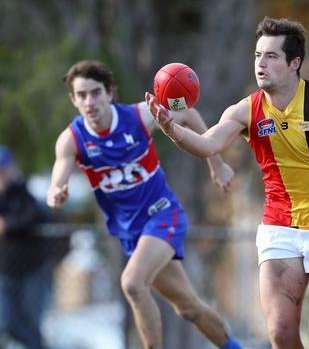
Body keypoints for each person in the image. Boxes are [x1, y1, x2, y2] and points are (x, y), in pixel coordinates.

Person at [146, 17, 309, 349]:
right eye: (257, 55)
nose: (260, 64)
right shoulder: (246, 110)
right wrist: (172, 130)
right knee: (280, 334)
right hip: (281, 229)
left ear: (295, 63)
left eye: (271, 56)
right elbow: (207, 145)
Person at [47, 60, 243, 349]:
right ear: (73, 100)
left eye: (95, 92)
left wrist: (216, 164)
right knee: (188, 307)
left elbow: (187, 113)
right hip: (132, 233)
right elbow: (57, 179)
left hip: (162, 214)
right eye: (82, 95)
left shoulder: (139, 116)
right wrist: (56, 193)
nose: (90, 101)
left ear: (109, 94)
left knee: (132, 284)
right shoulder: (72, 140)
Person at [0, 146, 53, 349]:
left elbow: (34, 217)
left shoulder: (23, 192)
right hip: (5, 271)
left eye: (3, 170)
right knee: (7, 322)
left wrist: (8, 226)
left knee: (31, 322)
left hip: (31, 270)